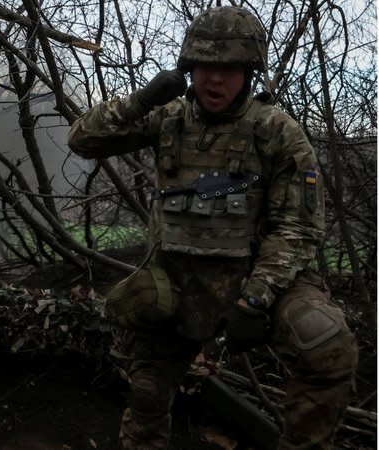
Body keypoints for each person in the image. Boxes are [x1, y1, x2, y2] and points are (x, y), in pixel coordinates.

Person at [67, 6, 357, 449]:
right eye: (204, 67)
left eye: (228, 69)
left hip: (255, 278)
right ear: (189, 67)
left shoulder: (277, 132)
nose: (214, 80)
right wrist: (142, 99)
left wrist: (257, 296)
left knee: (326, 343)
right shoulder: (168, 118)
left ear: (249, 70)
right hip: (178, 279)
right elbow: (83, 141)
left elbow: (297, 227)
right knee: (145, 392)